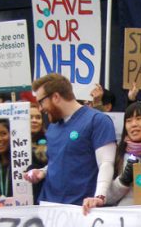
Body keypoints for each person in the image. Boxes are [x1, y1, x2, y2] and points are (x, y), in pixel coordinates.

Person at [26, 73, 116, 207]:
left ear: (55, 97)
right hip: (49, 209)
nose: (40, 108)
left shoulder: (98, 121)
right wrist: (43, 172)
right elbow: (59, 160)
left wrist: (99, 196)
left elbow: (106, 163)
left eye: (41, 102)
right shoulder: (52, 127)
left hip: (81, 210)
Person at [87, 101, 141, 210]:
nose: (133, 124)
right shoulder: (118, 154)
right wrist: (123, 180)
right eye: (128, 121)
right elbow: (107, 198)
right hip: (126, 219)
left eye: (139, 118)